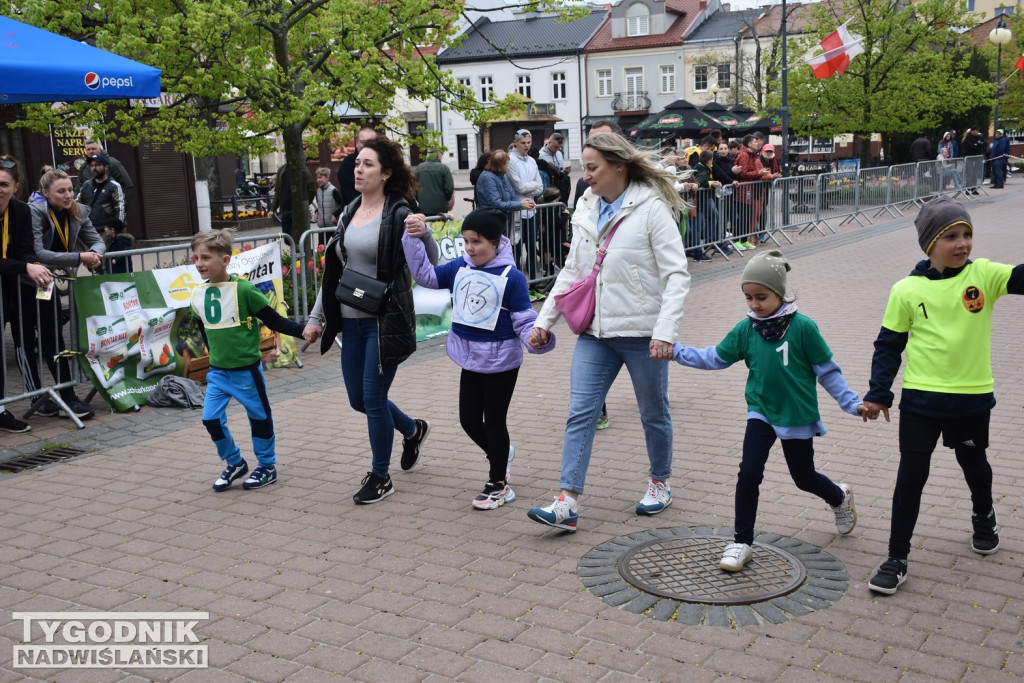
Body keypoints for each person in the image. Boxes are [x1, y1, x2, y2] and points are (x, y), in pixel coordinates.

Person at [525, 132, 690, 531]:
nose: (587, 175)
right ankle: (566, 501)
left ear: (619, 165)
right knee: (580, 413)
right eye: (584, 167)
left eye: (594, 167)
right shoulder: (584, 204)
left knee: (654, 412)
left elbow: (677, 275)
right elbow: (572, 270)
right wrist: (544, 321)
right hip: (594, 333)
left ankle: (659, 482)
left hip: (641, 334)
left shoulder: (651, 208)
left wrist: (665, 332)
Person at [863, 197, 1020, 595]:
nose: (963, 243)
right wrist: (879, 392)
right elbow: (888, 345)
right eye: (952, 236)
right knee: (911, 477)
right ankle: (896, 556)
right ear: (930, 243)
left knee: (974, 464)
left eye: (967, 234)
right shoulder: (906, 289)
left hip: (971, 398)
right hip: (921, 401)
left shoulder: (984, 275)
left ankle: (983, 514)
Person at [669, 250, 863, 571]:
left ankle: (839, 498)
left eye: (761, 297)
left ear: (780, 293)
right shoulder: (746, 329)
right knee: (749, 472)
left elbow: (828, 371)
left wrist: (850, 402)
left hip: (796, 414)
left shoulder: (803, 328)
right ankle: (741, 542)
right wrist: (677, 352)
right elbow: (716, 357)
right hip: (760, 411)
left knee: (804, 477)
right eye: (748, 298)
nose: (754, 305)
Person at [302, 135, 439, 504]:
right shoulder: (348, 212)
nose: (358, 170)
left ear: (386, 173)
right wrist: (317, 318)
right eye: (357, 163)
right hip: (351, 321)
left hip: (385, 321)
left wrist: (423, 234)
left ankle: (381, 476)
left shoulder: (399, 213)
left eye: (367, 165)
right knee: (358, 400)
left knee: (374, 399)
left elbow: (430, 261)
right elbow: (335, 272)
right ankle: (413, 430)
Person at [403, 207, 555, 508]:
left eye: (477, 242)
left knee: (495, 421)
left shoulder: (512, 278)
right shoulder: (460, 266)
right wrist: (414, 238)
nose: (470, 248)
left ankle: (499, 484)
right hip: (470, 359)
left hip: (502, 362)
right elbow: (426, 276)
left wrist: (537, 337)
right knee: (469, 420)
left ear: (496, 243)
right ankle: (501, 453)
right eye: (466, 241)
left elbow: (524, 321)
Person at [188, 230, 306, 492]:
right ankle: (235, 462)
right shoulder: (197, 294)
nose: (199, 263)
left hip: (246, 373)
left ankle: (267, 466)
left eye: (205, 257)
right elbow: (202, 327)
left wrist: (303, 330)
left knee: (259, 416)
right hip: (218, 373)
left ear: (226, 260)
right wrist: (216, 356)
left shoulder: (244, 289)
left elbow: (274, 320)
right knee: (210, 419)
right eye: (196, 257)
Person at [29, 169, 106, 419]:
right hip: (25, 282)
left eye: (70, 190)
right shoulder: (36, 212)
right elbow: (38, 252)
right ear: (45, 193)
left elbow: (96, 240)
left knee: (53, 339)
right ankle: (35, 397)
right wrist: (77, 257)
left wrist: (95, 254)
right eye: (61, 191)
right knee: (26, 340)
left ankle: (68, 395)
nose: (68, 195)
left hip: (48, 283)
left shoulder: (79, 210)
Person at [0, 156, 55, 433]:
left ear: (16, 187)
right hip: (11, 278)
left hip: (13, 289)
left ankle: (8, 407)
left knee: (23, 341)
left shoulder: (20, 211)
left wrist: (34, 264)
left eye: (3, 184)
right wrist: (25, 266)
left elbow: (24, 249)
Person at [573, 121, 623, 208]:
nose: (593, 145)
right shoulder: (583, 186)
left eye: (601, 141)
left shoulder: (648, 194)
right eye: (590, 141)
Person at [733, 134, 770, 248]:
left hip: (749, 189)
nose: (757, 143)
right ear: (749, 144)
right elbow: (743, 173)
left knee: (748, 216)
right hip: (743, 190)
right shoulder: (744, 155)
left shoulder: (751, 154)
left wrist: (761, 172)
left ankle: (744, 240)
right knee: (743, 216)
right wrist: (758, 173)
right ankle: (736, 240)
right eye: (755, 141)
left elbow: (750, 171)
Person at [76, 155, 126, 234]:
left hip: (105, 230)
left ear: (106, 167)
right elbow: (77, 205)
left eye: (97, 165)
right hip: (88, 230)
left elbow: (120, 208)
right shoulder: (86, 185)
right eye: (92, 165)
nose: (94, 168)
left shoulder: (114, 186)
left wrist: (116, 229)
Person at [476, 150, 535, 215]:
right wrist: (520, 204)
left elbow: (512, 194)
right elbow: (496, 203)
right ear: (501, 165)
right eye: (507, 163)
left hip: (502, 217)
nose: (508, 166)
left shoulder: (502, 174)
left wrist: (525, 203)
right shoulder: (487, 178)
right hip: (491, 218)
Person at [78, 140, 134, 206]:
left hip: (111, 211)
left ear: (100, 149)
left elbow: (127, 186)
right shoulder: (84, 168)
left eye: (93, 148)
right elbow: (78, 189)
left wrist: (121, 207)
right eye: (88, 149)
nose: (91, 151)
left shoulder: (113, 163)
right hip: (90, 212)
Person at [271, 162, 315, 240]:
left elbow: (311, 189)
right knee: (287, 239)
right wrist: (272, 209)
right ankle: (295, 251)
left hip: (298, 211)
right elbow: (278, 191)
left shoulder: (302, 169)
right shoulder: (282, 170)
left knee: (296, 238)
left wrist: (304, 204)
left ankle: (300, 251)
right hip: (285, 211)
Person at [337, 126, 378, 206]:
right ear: (357, 143)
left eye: (370, 142)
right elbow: (351, 196)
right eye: (363, 142)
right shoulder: (348, 164)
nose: (366, 145)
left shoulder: (384, 161)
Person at [413, 150, 454, 216]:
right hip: (441, 207)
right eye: (441, 154)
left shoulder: (419, 168)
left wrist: (419, 199)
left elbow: (414, 187)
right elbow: (449, 188)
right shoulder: (444, 168)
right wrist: (445, 199)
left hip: (423, 207)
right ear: (438, 154)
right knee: (440, 226)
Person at [539, 132, 571, 203]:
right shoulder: (540, 155)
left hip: (560, 188)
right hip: (548, 189)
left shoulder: (559, 153)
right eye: (556, 147)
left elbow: (560, 169)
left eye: (560, 147)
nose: (558, 149)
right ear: (549, 142)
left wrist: (565, 172)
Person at [961, 126, 987, 194]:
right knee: (970, 173)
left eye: (978, 130)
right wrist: (977, 145)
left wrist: (978, 145)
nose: (978, 132)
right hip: (969, 158)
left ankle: (973, 188)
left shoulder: (979, 137)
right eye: (976, 130)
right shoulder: (968, 138)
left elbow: (984, 144)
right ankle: (968, 188)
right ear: (972, 131)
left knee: (975, 173)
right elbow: (970, 146)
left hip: (977, 157)